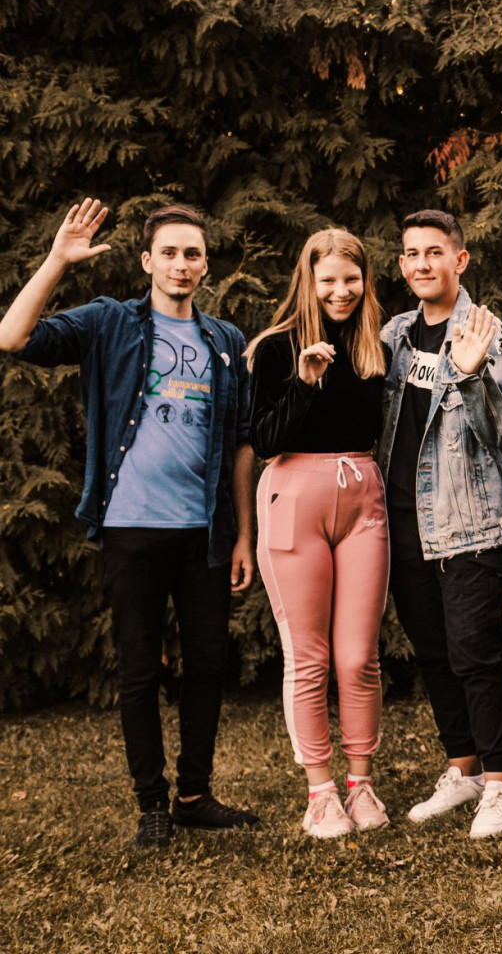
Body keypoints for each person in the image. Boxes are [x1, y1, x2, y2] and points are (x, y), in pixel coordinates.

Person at [0, 200, 259, 846]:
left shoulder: (225, 341)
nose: (180, 264)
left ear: (206, 265)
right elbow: (12, 338)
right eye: (168, 252)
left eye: (192, 253)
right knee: (139, 669)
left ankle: (194, 795)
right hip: (132, 528)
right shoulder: (109, 322)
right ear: (147, 261)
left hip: (203, 533)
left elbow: (240, 444)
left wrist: (244, 536)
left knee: (207, 664)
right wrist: (57, 260)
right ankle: (152, 805)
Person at [377, 209, 502, 837]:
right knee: (435, 653)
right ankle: (463, 770)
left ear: (459, 260)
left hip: (468, 521)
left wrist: (467, 372)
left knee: (474, 654)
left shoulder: (485, 331)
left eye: (434, 252)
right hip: (402, 520)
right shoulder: (393, 336)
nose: (422, 264)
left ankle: (501, 784)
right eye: (412, 254)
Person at [248, 229, 390, 836]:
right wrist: (304, 384)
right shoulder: (274, 348)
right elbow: (265, 440)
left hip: (362, 498)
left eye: (350, 279)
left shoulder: (375, 346)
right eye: (328, 279)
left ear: (365, 280)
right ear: (308, 280)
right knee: (308, 657)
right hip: (294, 498)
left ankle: (361, 785)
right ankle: (320, 793)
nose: (340, 291)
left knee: (358, 657)